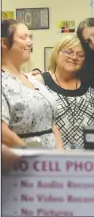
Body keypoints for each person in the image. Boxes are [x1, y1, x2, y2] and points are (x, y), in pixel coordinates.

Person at [1, 19, 63, 149]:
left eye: (30, 37)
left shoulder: (33, 79)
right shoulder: (3, 82)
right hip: (22, 162)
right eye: (23, 38)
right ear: (4, 43)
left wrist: (60, 156)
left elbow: (51, 123)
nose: (30, 42)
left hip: (50, 163)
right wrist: (29, 154)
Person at [34, 36, 94, 149]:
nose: (74, 57)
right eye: (68, 52)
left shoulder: (91, 84)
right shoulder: (39, 83)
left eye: (80, 55)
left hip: (90, 160)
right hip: (52, 160)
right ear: (56, 54)